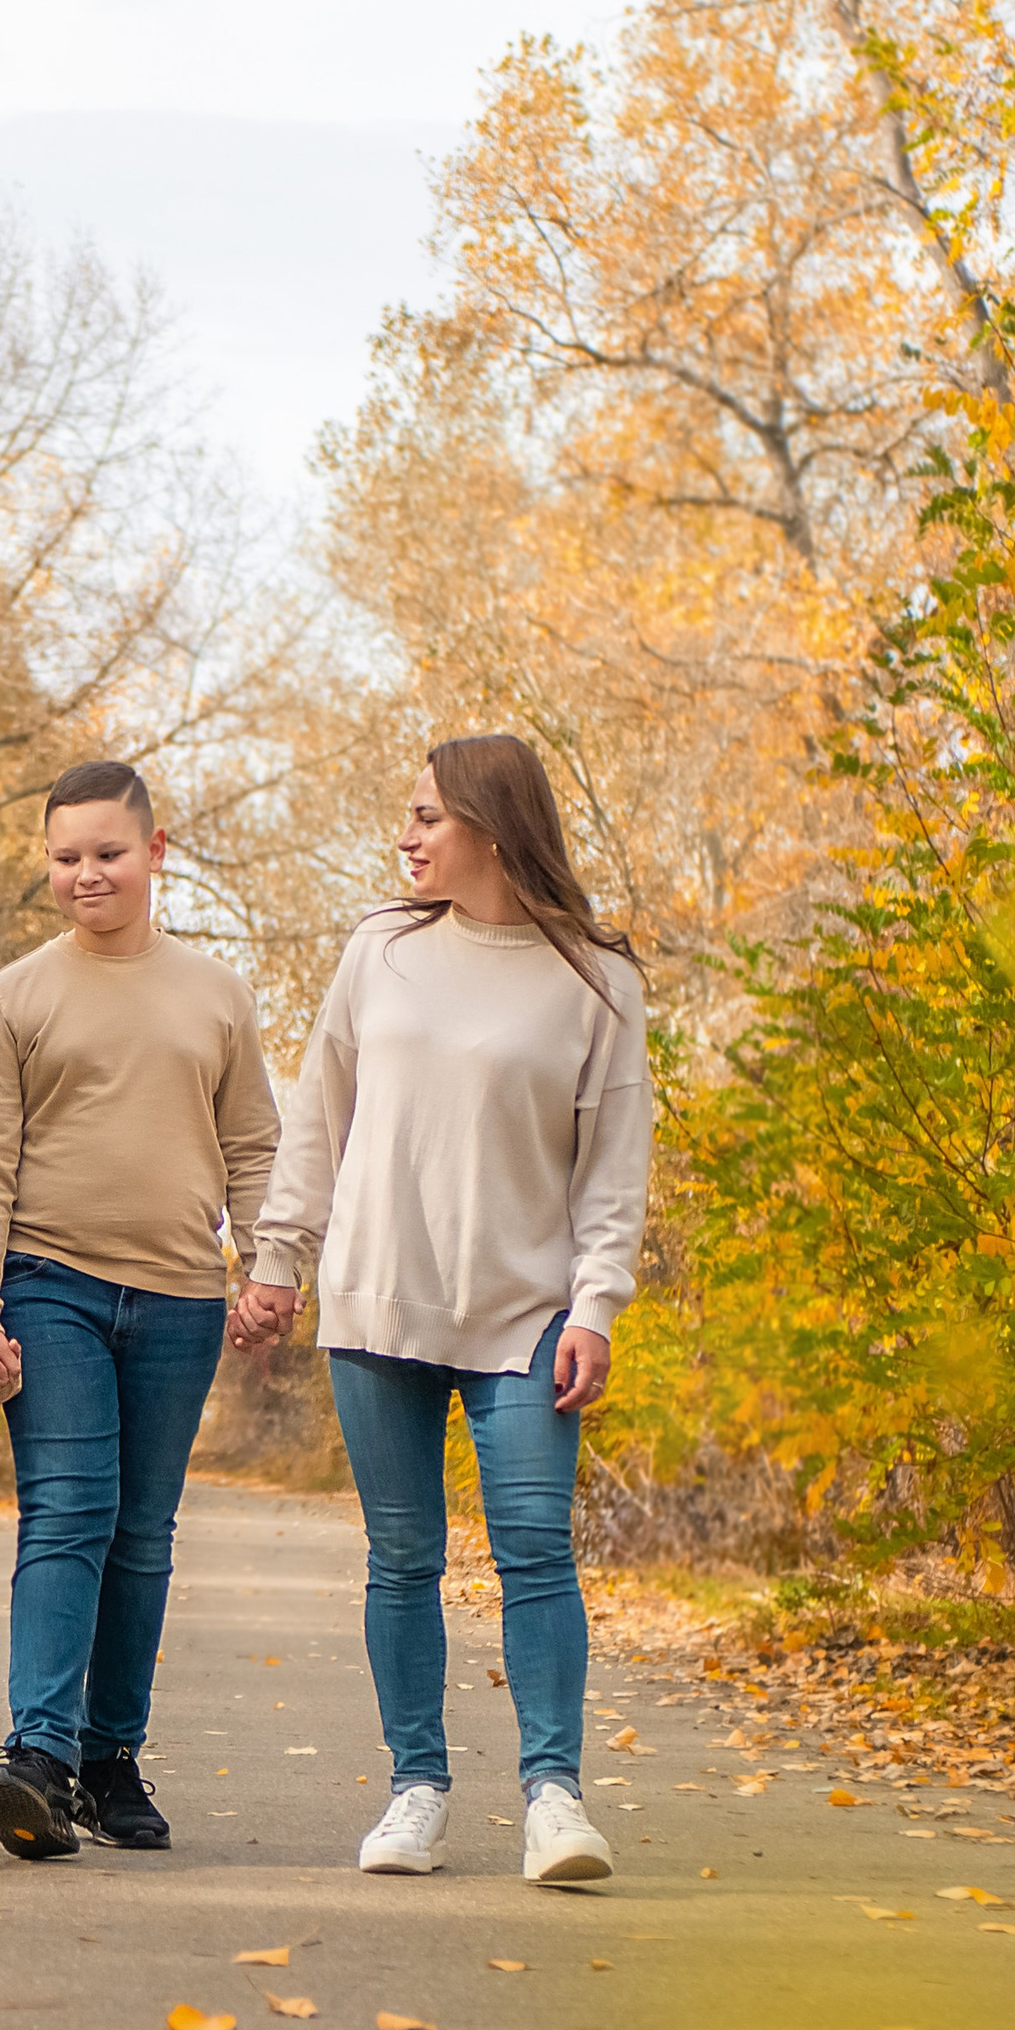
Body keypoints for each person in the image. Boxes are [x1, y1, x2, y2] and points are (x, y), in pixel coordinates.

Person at [232, 733, 651, 1885]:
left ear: (491, 825)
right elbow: (316, 1117)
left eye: (425, 816)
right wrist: (278, 1258)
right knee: (401, 1556)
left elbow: (613, 1168)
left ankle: (554, 1799)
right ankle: (416, 1788)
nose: (403, 838)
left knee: (532, 1550)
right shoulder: (381, 950)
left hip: (525, 1311)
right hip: (375, 1301)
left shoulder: (596, 977)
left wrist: (597, 1305)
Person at [0, 760, 281, 1858]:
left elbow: (251, 1148)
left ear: (156, 850)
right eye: (64, 857)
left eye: (107, 852)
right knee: (67, 1508)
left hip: (181, 1296)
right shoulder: (16, 997)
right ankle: (37, 1752)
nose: (85, 874)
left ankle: (109, 1759)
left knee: (141, 1535)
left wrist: (268, 1265)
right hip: (50, 1285)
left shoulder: (216, 993)